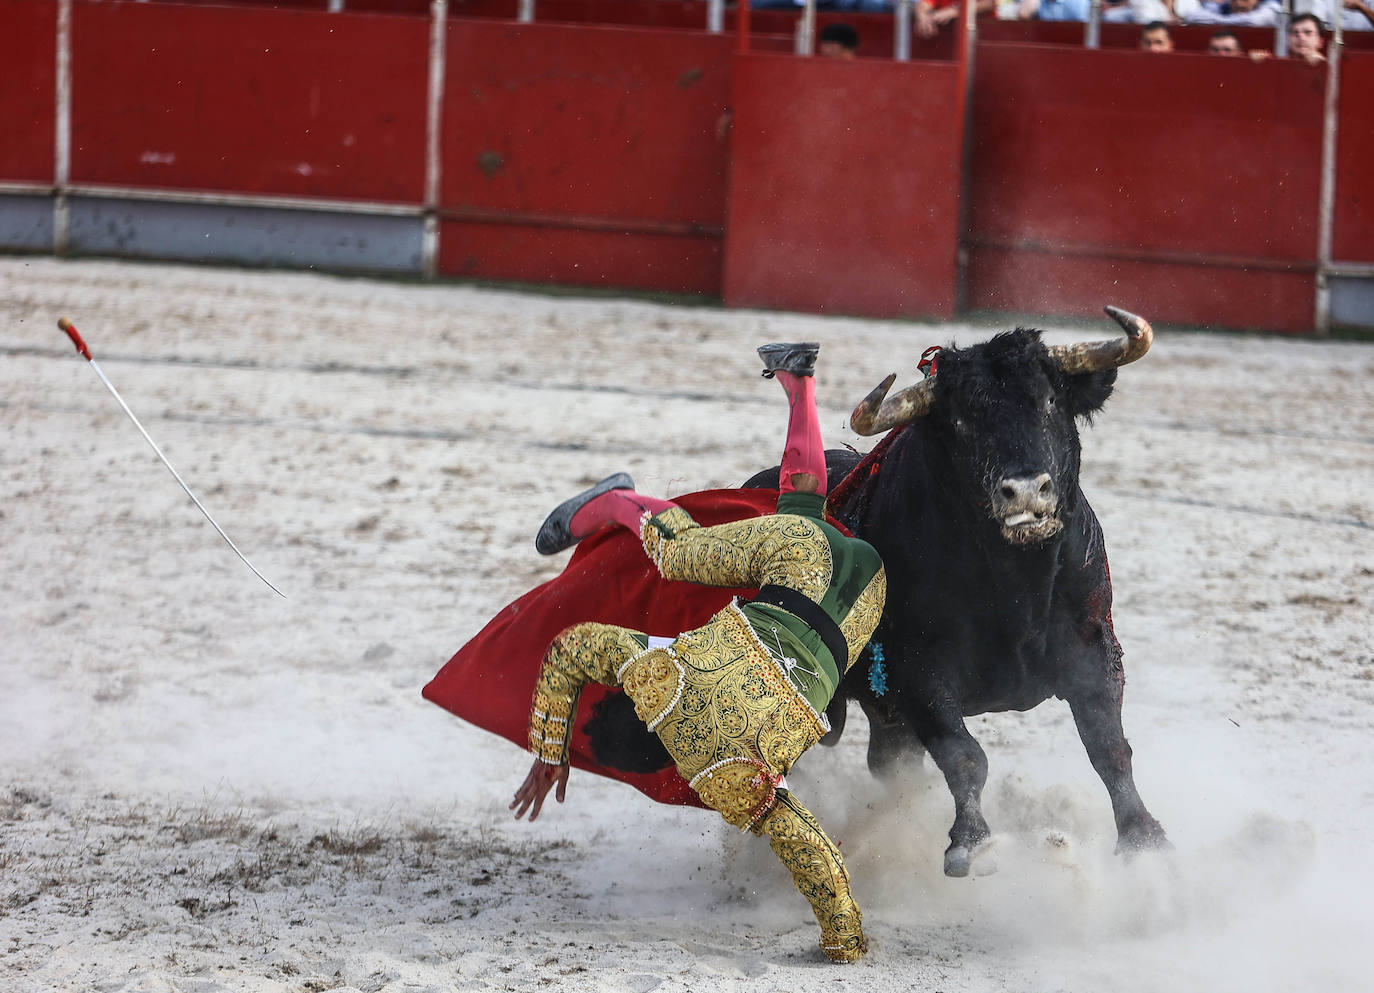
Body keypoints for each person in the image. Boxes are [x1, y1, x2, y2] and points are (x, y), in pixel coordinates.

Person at [511, 342, 887, 964]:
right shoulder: (656, 672)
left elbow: (812, 849)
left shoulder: (722, 777)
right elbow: (570, 650)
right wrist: (547, 753)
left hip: (867, 599)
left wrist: (844, 939)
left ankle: (616, 496)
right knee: (692, 553)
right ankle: (790, 388)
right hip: (806, 558)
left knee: (783, 523)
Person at [1187, 0, 1281, 27]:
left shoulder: (1271, 6)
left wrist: (1217, 21)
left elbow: (1254, 22)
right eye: (1234, 0)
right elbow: (1192, 17)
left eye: (1245, 0)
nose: (1239, 3)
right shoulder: (1224, 5)